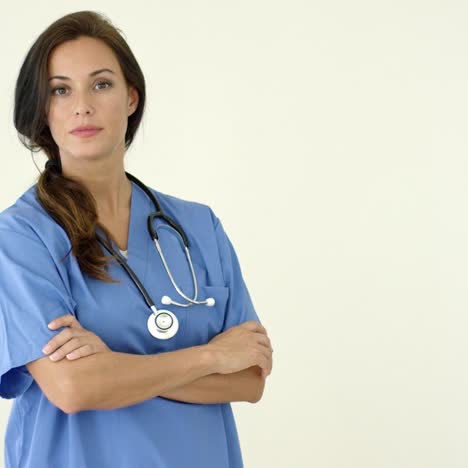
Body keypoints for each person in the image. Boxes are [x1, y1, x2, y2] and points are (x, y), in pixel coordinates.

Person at [0, 10, 273, 468]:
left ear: (131, 97)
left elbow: (249, 378)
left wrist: (113, 366)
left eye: (101, 84)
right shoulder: (21, 237)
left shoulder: (198, 227)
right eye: (60, 89)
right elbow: (74, 388)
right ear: (43, 111)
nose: (82, 105)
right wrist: (210, 356)